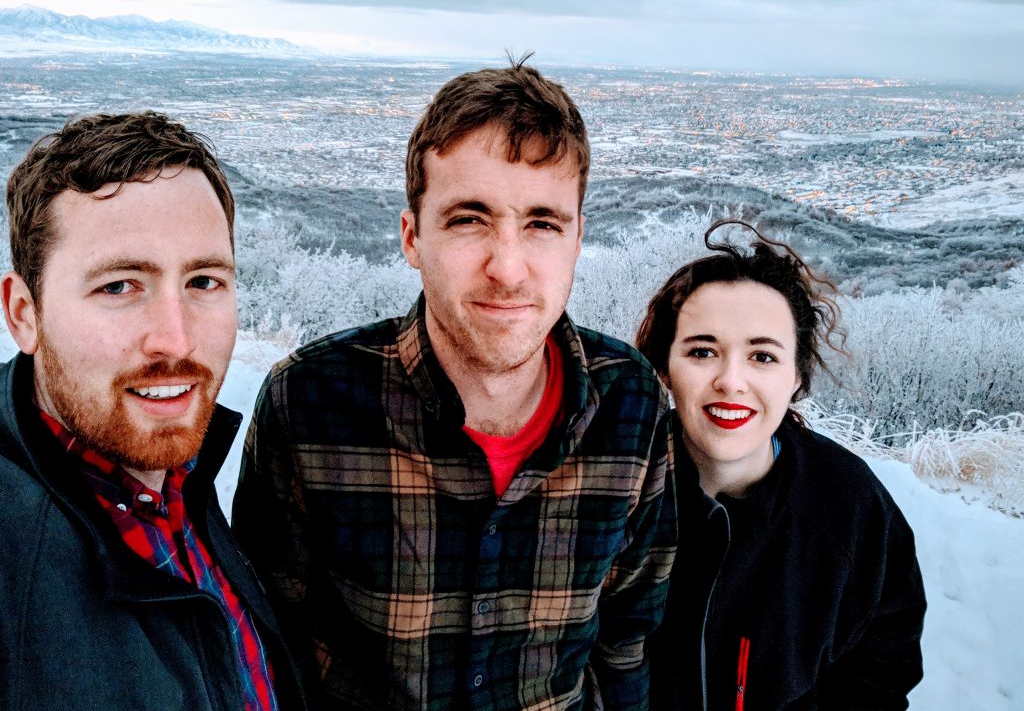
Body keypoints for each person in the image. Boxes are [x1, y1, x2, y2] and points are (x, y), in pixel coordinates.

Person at [232, 57, 677, 711]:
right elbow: (268, 643)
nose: (508, 268)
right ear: (413, 238)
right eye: (469, 219)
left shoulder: (631, 405)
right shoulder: (309, 405)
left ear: (578, 238)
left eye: (542, 223)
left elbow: (627, 637)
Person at [0, 112, 304, 710]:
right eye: (119, 286)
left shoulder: (177, 481)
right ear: (24, 314)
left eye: (204, 282)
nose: (176, 340)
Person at [636, 219, 926, 711]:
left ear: (796, 376)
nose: (731, 380)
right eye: (702, 351)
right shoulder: (615, 487)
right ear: (664, 367)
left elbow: (881, 669)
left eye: (763, 357)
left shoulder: (850, 507)